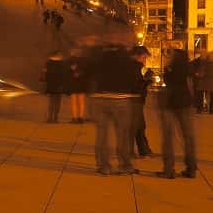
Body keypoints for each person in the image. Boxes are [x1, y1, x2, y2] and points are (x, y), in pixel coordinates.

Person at [90, 45, 140, 175]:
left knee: (102, 135)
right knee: (123, 135)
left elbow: (90, 76)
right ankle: (124, 165)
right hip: (121, 99)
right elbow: (134, 81)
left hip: (100, 98)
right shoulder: (127, 60)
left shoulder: (98, 58)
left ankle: (104, 166)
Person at [156, 49, 198, 179]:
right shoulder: (189, 69)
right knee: (188, 138)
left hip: (170, 103)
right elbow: (192, 85)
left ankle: (168, 169)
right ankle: (191, 168)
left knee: (168, 138)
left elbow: (167, 82)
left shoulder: (170, 68)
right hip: (185, 103)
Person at [129, 46, 153, 157]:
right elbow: (135, 86)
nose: (145, 60)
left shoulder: (135, 67)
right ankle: (134, 151)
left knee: (139, 126)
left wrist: (146, 80)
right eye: (144, 57)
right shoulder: (134, 67)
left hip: (136, 100)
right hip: (134, 100)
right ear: (137, 56)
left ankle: (143, 149)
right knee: (136, 126)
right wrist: (146, 81)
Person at [63, 50, 90, 123]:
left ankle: (74, 118)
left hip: (72, 83)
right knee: (81, 101)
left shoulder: (69, 61)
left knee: (73, 101)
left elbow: (65, 72)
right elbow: (88, 72)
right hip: (82, 83)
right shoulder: (85, 61)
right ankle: (81, 118)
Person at [43, 49, 69, 123]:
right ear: (58, 55)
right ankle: (55, 118)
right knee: (57, 102)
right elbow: (64, 75)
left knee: (51, 101)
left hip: (50, 85)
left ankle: (50, 118)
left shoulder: (48, 63)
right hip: (59, 85)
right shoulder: (63, 64)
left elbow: (45, 74)